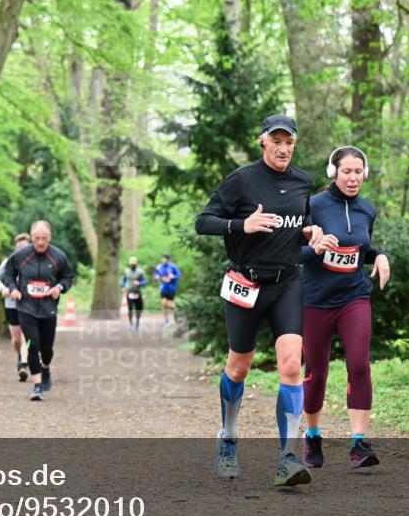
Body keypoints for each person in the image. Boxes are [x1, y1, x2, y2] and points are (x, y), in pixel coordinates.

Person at [195, 113, 324, 487]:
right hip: (246, 284)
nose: (284, 148)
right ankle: (228, 439)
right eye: (277, 141)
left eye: (289, 143)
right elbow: (203, 221)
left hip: (287, 283)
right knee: (239, 367)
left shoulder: (302, 181)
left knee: (291, 367)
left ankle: (287, 458)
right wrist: (241, 225)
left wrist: (311, 233)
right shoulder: (242, 180)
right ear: (263, 142)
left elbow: (299, 226)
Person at [299, 146, 390, 470]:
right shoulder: (313, 206)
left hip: (354, 296)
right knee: (316, 372)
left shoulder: (368, 209)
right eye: (346, 171)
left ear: (364, 174)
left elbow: (362, 247)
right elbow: (294, 251)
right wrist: (315, 249)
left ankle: (359, 444)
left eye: (357, 172)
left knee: (359, 364)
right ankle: (312, 436)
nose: (352, 178)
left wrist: (378, 255)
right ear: (333, 173)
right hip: (316, 300)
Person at [3, 220, 74, 401]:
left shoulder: (58, 256)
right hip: (25, 307)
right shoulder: (21, 255)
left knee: (47, 348)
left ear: (50, 238)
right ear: (31, 237)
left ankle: (46, 366)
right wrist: (13, 289)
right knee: (32, 344)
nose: (40, 242)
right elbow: (8, 273)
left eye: (44, 238)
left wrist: (59, 287)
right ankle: (36, 386)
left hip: (48, 308)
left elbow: (67, 277)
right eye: (36, 238)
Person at [0, 233, 32, 381]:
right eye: (18, 248)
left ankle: (24, 363)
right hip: (11, 304)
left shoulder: (34, 263)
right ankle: (21, 356)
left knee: (26, 337)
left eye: (24, 247)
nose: (21, 251)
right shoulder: (8, 262)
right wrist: (3, 289)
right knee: (16, 339)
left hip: (28, 304)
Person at [121, 256, 148, 331]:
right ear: (129, 264)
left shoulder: (140, 272)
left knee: (138, 309)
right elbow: (123, 280)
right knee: (130, 309)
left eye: (134, 264)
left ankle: (137, 323)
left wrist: (139, 283)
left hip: (138, 293)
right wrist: (123, 286)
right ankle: (130, 324)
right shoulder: (126, 271)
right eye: (131, 264)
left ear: (136, 264)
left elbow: (145, 281)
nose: (132, 265)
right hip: (129, 292)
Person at [153, 254, 181, 327]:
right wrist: (156, 277)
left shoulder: (173, 266)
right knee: (163, 303)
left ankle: (178, 312)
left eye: (165, 259)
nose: (163, 260)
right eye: (162, 259)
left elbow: (179, 275)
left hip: (172, 288)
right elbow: (155, 274)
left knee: (170, 305)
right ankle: (166, 320)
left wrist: (173, 276)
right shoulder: (159, 267)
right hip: (163, 288)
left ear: (168, 260)